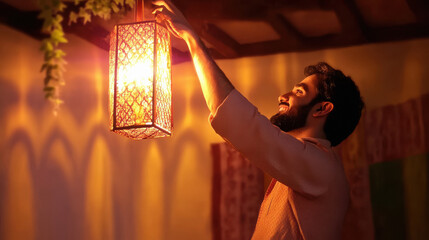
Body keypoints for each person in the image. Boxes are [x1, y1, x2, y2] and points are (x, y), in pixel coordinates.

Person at [152, 1, 365, 239]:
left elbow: (246, 125)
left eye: (299, 92)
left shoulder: (322, 167)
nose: (282, 96)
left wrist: (192, 39)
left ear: (323, 108)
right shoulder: (308, 167)